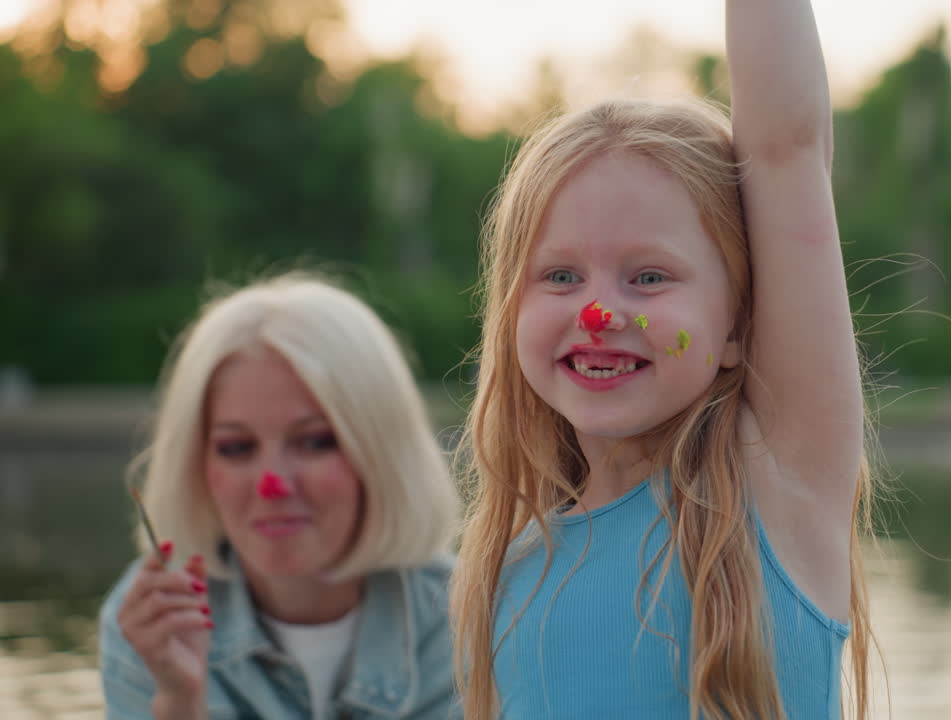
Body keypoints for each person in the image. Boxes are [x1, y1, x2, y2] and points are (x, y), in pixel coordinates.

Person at [450, 0, 874, 718]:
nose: (598, 312)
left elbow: (787, 148)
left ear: (741, 324)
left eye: (648, 277)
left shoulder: (776, 485)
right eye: (560, 276)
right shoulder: (506, 570)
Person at [97, 272, 460, 719]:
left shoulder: (475, 621)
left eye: (314, 442)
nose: (272, 484)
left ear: (380, 452)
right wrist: (179, 702)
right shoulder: (149, 624)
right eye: (236, 448)